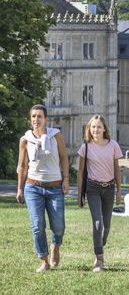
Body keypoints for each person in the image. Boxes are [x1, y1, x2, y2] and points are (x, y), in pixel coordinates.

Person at [16, 105, 70, 273]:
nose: (36, 119)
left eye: (39, 116)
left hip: (55, 187)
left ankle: (55, 246)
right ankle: (44, 260)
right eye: (33, 116)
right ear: (30, 119)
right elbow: (22, 165)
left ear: (46, 119)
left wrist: (66, 179)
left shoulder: (56, 136)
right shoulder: (25, 139)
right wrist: (19, 188)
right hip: (33, 187)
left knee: (59, 226)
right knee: (37, 225)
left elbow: (64, 158)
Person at [77, 115, 123, 272]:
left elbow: (117, 169)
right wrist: (79, 195)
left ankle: (99, 245)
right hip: (93, 188)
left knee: (106, 225)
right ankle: (99, 259)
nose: (95, 129)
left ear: (104, 129)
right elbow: (81, 172)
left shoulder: (113, 145)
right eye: (93, 127)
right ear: (89, 129)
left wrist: (119, 191)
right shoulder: (85, 147)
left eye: (98, 126)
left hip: (109, 188)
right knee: (98, 223)